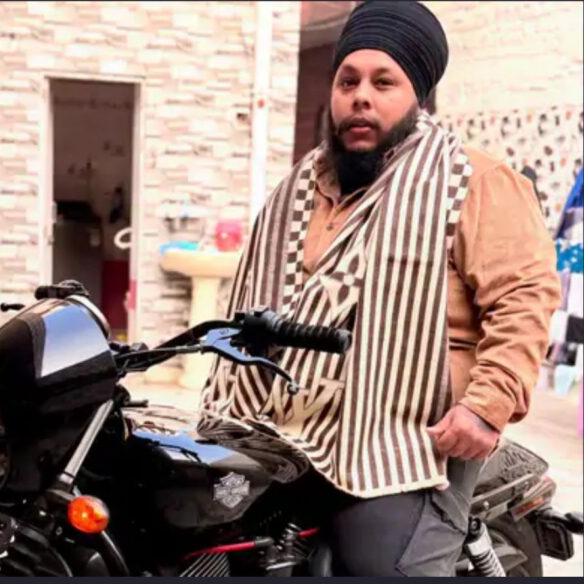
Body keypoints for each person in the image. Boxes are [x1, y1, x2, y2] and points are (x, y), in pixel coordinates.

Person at [200, 0, 561, 576]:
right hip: (290, 421)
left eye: (383, 82)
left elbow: (524, 300)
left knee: (378, 565)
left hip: (410, 432)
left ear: (419, 97)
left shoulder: (475, 181)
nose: (360, 96)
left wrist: (486, 408)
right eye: (348, 81)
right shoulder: (304, 186)